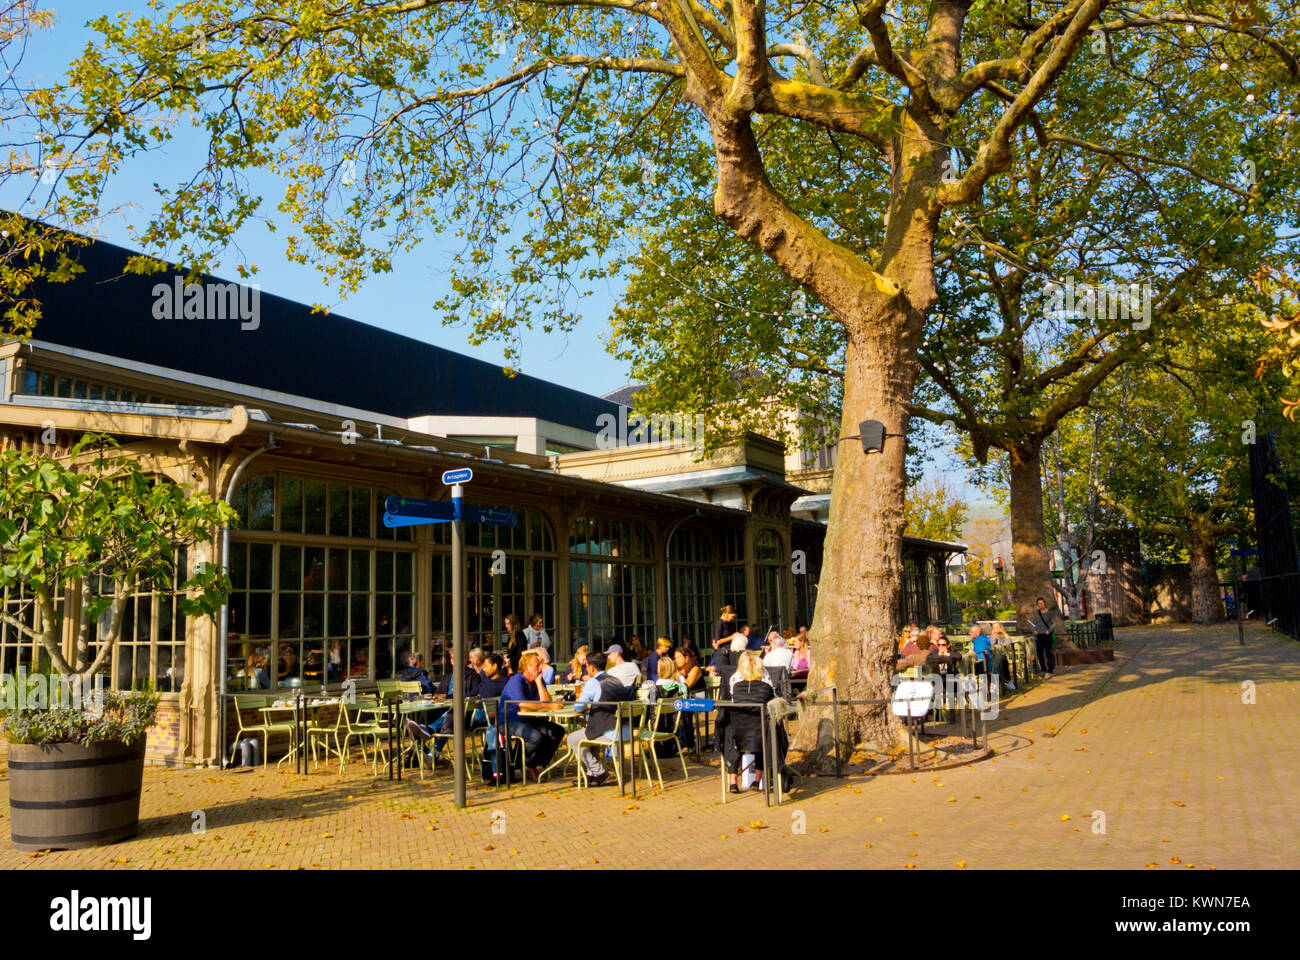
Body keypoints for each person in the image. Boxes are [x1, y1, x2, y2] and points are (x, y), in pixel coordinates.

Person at [724, 651, 789, 794]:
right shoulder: (765, 687)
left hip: (739, 733)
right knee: (766, 733)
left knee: (731, 735)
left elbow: (734, 702)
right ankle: (757, 780)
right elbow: (773, 702)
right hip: (758, 733)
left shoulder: (735, 684)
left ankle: (733, 782)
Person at [567, 652, 633, 787]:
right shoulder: (617, 680)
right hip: (625, 729)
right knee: (589, 736)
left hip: (609, 732)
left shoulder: (593, 683)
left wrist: (584, 707)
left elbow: (579, 707)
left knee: (572, 738)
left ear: (591, 667)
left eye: (586, 666)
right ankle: (592, 775)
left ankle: (599, 772)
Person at [494, 650, 563, 779]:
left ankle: (535, 763)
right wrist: (548, 706)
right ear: (526, 668)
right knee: (535, 737)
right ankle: (527, 765)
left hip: (527, 719)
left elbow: (546, 701)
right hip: (509, 721)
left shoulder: (536, 680)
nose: (540, 668)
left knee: (556, 730)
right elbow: (523, 704)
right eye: (537, 665)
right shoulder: (516, 680)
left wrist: (539, 682)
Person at [1031, 597, 1057, 676]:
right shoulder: (1036, 613)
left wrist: (1049, 630)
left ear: (1044, 604)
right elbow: (1035, 623)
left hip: (1047, 634)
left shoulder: (1049, 613)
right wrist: (1034, 630)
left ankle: (1050, 669)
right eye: (1039, 604)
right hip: (1039, 635)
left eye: (1041, 603)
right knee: (1039, 653)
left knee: (1048, 652)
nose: (1040, 605)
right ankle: (1043, 669)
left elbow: (1054, 623)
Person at [988, 622, 1017, 690]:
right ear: (992, 629)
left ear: (1001, 627)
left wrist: (1004, 632)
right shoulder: (989, 637)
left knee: (1002, 660)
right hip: (991, 657)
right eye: (995, 627)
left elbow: (1009, 644)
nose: (997, 628)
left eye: (998, 627)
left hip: (1001, 656)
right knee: (995, 663)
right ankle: (996, 683)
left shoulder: (1003, 637)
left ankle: (1006, 681)